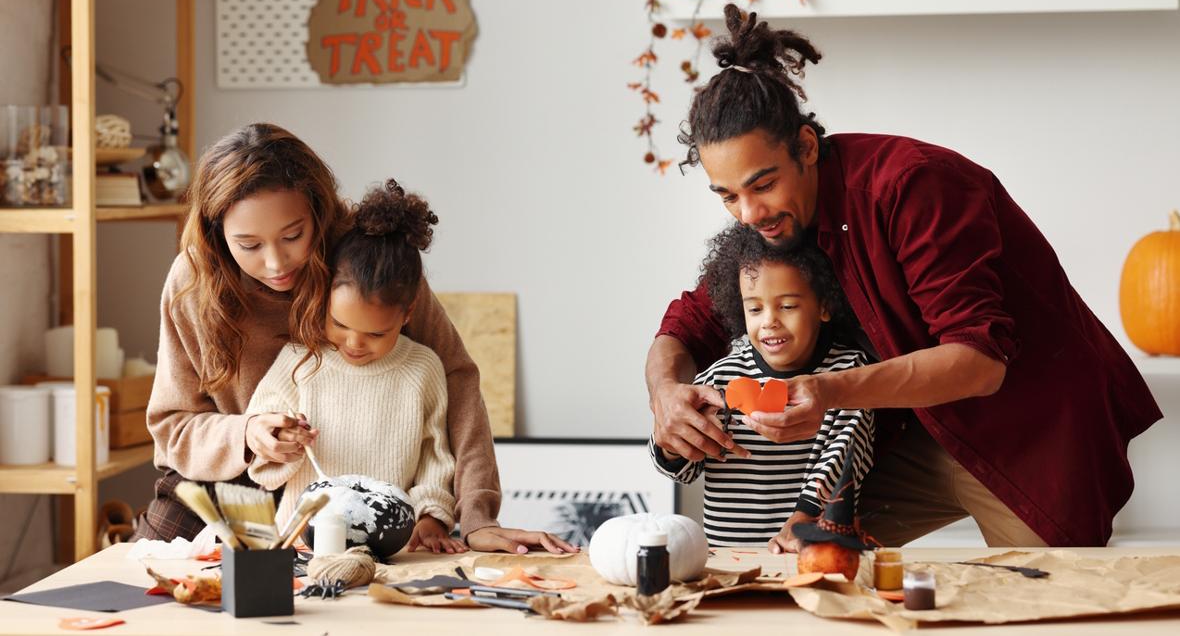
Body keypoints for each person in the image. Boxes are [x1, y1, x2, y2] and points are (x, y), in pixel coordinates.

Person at [645, 5, 1162, 547]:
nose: (749, 213)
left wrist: (825, 392)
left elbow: (980, 362)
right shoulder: (774, 223)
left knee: (1037, 608)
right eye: (728, 195)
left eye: (762, 184)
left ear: (805, 147)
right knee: (809, 554)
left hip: (1029, 429)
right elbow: (688, 323)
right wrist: (665, 395)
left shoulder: (914, 186)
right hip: (913, 430)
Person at [137, 123, 575, 554]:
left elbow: (456, 379)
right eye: (248, 245)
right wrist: (247, 434)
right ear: (217, 233)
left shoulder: (366, 261)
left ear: (318, 211)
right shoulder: (193, 282)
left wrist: (478, 516)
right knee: (132, 600)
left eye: (293, 236)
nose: (275, 263)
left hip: (351, 496)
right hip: (226, 485)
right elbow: (172, 428)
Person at [248, 179, 463, 553]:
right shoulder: (300, 362)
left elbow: (436, 457)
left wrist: (430, 517)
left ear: (408, 312)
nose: (354, 343)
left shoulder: (422, 369)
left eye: (376, 334)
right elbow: (261, 439)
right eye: (340, 324)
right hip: (298, 548)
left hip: (391, 553)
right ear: (324, 296)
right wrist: (281, 441)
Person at [649, 223, 873, 553]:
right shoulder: (718, 381)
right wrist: (673, 444)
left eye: (787, 306)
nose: (768, 320)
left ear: (824, 305)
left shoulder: (847, 373)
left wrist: (805, 518)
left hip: (810, 549)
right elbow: (684, 472)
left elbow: (845, 456)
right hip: (729, 559)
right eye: (754, 308)